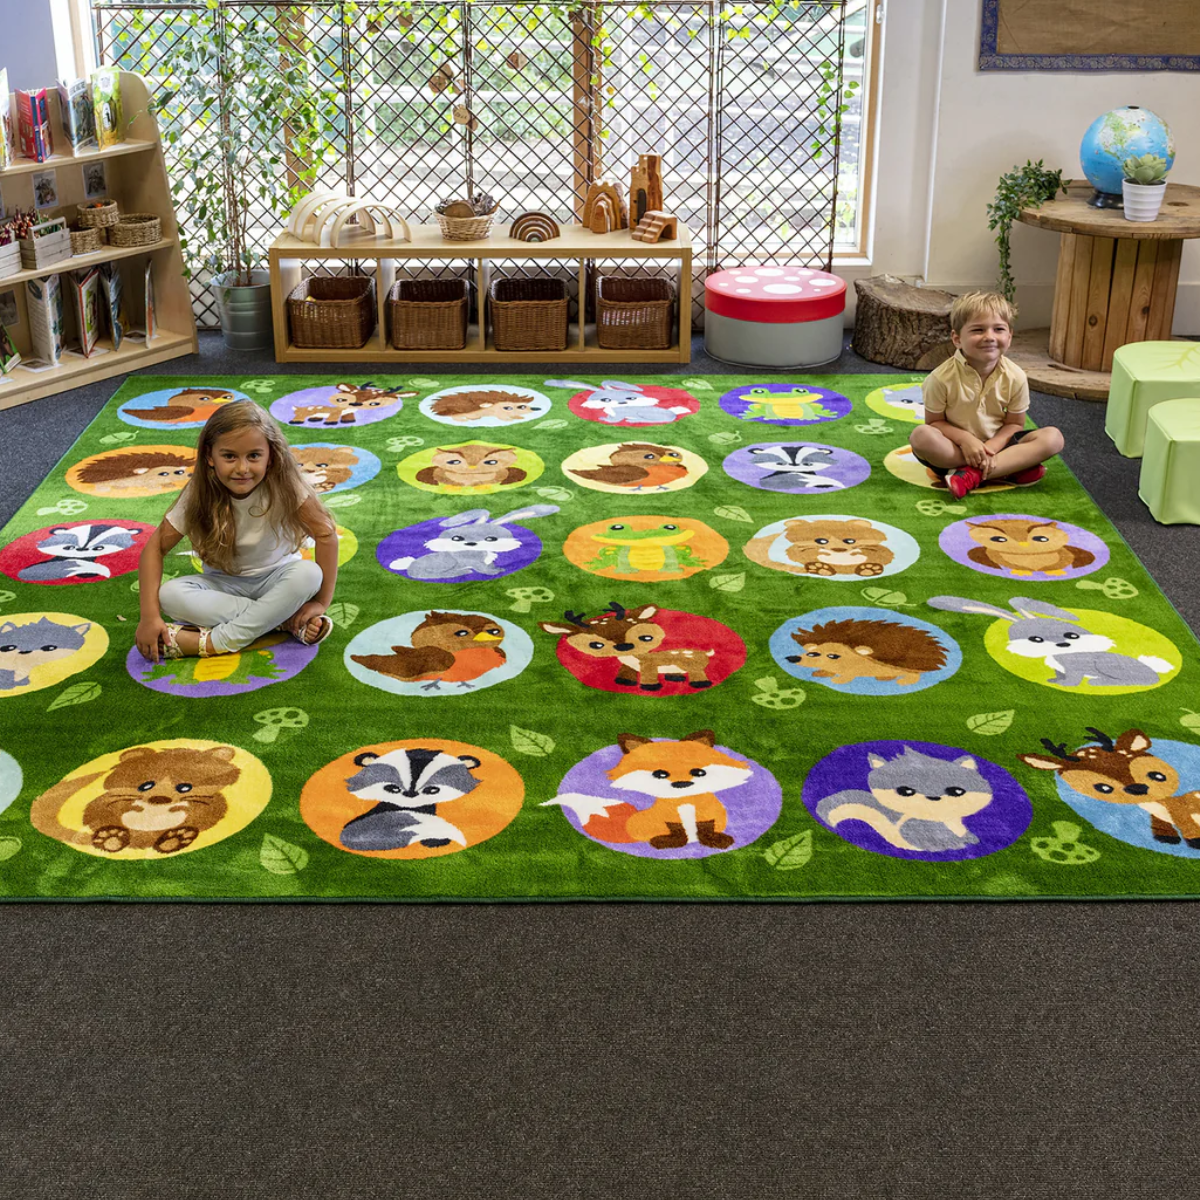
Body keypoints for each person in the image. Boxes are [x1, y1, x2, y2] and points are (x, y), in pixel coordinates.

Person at [135, 400, 339, 662]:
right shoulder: (198, 492)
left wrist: (320, 602)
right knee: (169, 595)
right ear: (210, 456)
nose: (242, 468)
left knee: (308, 574)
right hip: (225, 586)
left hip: (279, 579)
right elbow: (155, 548)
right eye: (230, 456)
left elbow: (326, 535)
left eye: (253, 456)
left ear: (271, 456)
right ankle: (285, 620)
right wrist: (149, 616)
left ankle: (214, 643)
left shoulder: (287, 487)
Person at [909, 292, 1064, 500]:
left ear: (1009, 337)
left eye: (998, 329)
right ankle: (1007, 469)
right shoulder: (939, 378)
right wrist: (966, 440)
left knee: (1053, 438)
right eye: (978, 330)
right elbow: (934, 423)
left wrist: (989, 448)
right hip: (955, 449)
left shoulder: (1016, 376)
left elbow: (1015, 424)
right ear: (957, 339)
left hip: (998, 446)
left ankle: (971, 475)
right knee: (920, 436)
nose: (989, 337)